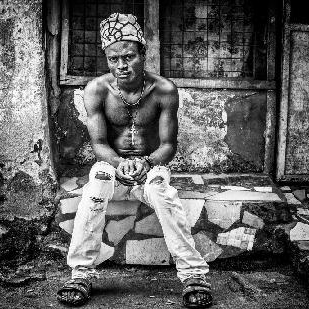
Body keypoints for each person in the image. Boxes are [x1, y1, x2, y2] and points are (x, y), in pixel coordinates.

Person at [57, 13, 213, 308]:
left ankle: (194, 275)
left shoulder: (164, 90)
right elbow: (99, 144)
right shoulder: (97, 91)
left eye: (128, 57)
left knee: (162, 193)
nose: (121, 66)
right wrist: (119, 164)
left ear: (143, 53)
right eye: (113, 59)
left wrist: (147, 162)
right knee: (96, 184)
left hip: (151, 167)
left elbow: (168, 145)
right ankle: (80, 273)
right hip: (112, 166)